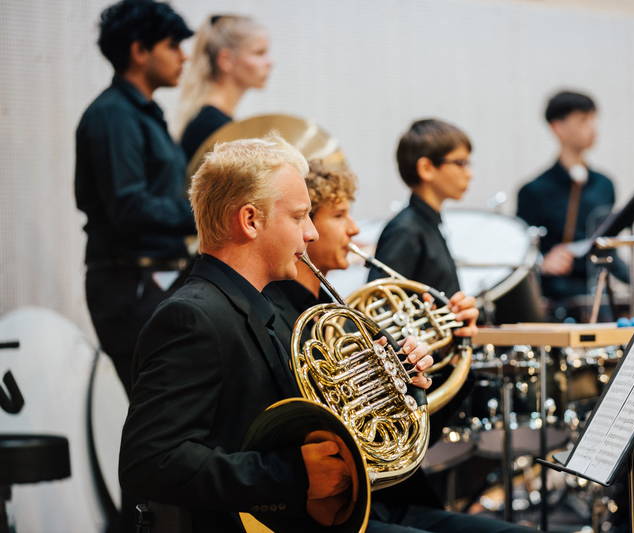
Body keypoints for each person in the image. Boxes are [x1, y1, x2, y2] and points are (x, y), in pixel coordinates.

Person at [119, 135, 435, 533]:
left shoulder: (258, 306)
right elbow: (149, 462)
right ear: (250, 220)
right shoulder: (192, 316)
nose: (311, 234)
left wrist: (400, 386)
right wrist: (292, 474)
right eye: (299, 216)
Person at [265, 160, 529, 533]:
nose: (354, 229)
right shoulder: (295, 325)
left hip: (395, 500)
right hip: (347, 512)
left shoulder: (338, 317)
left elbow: (412, 435)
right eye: (339, 215)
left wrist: (450, 351)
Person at [75, 0, 195, 398]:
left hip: (156, 277)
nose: (184, 55)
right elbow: (129, 207)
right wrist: (205, 213)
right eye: (173, 45)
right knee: (161, 411)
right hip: (131, 284)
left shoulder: (145, 113)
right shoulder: (113, 117)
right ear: (139, 51)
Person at [516, 90, 634, 320]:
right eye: (583, 121)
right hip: (556, 303)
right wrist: (543, 261)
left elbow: (607, 245)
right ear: (557, 127)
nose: (592, 128)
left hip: (599, 299)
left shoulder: (604, 185)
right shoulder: (533, 191)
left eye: (593, 120)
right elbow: (522, 254)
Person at [367, 118, 472, 300]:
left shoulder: (427, 224)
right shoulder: (405, 230)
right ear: (426, 168)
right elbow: (380, 302)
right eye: (460, 163)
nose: (469, 174)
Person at [176, 14, 272, 162]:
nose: (269, 62)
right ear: (226, 60)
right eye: (259, 53)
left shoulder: (216, 121)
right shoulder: (211, 126)